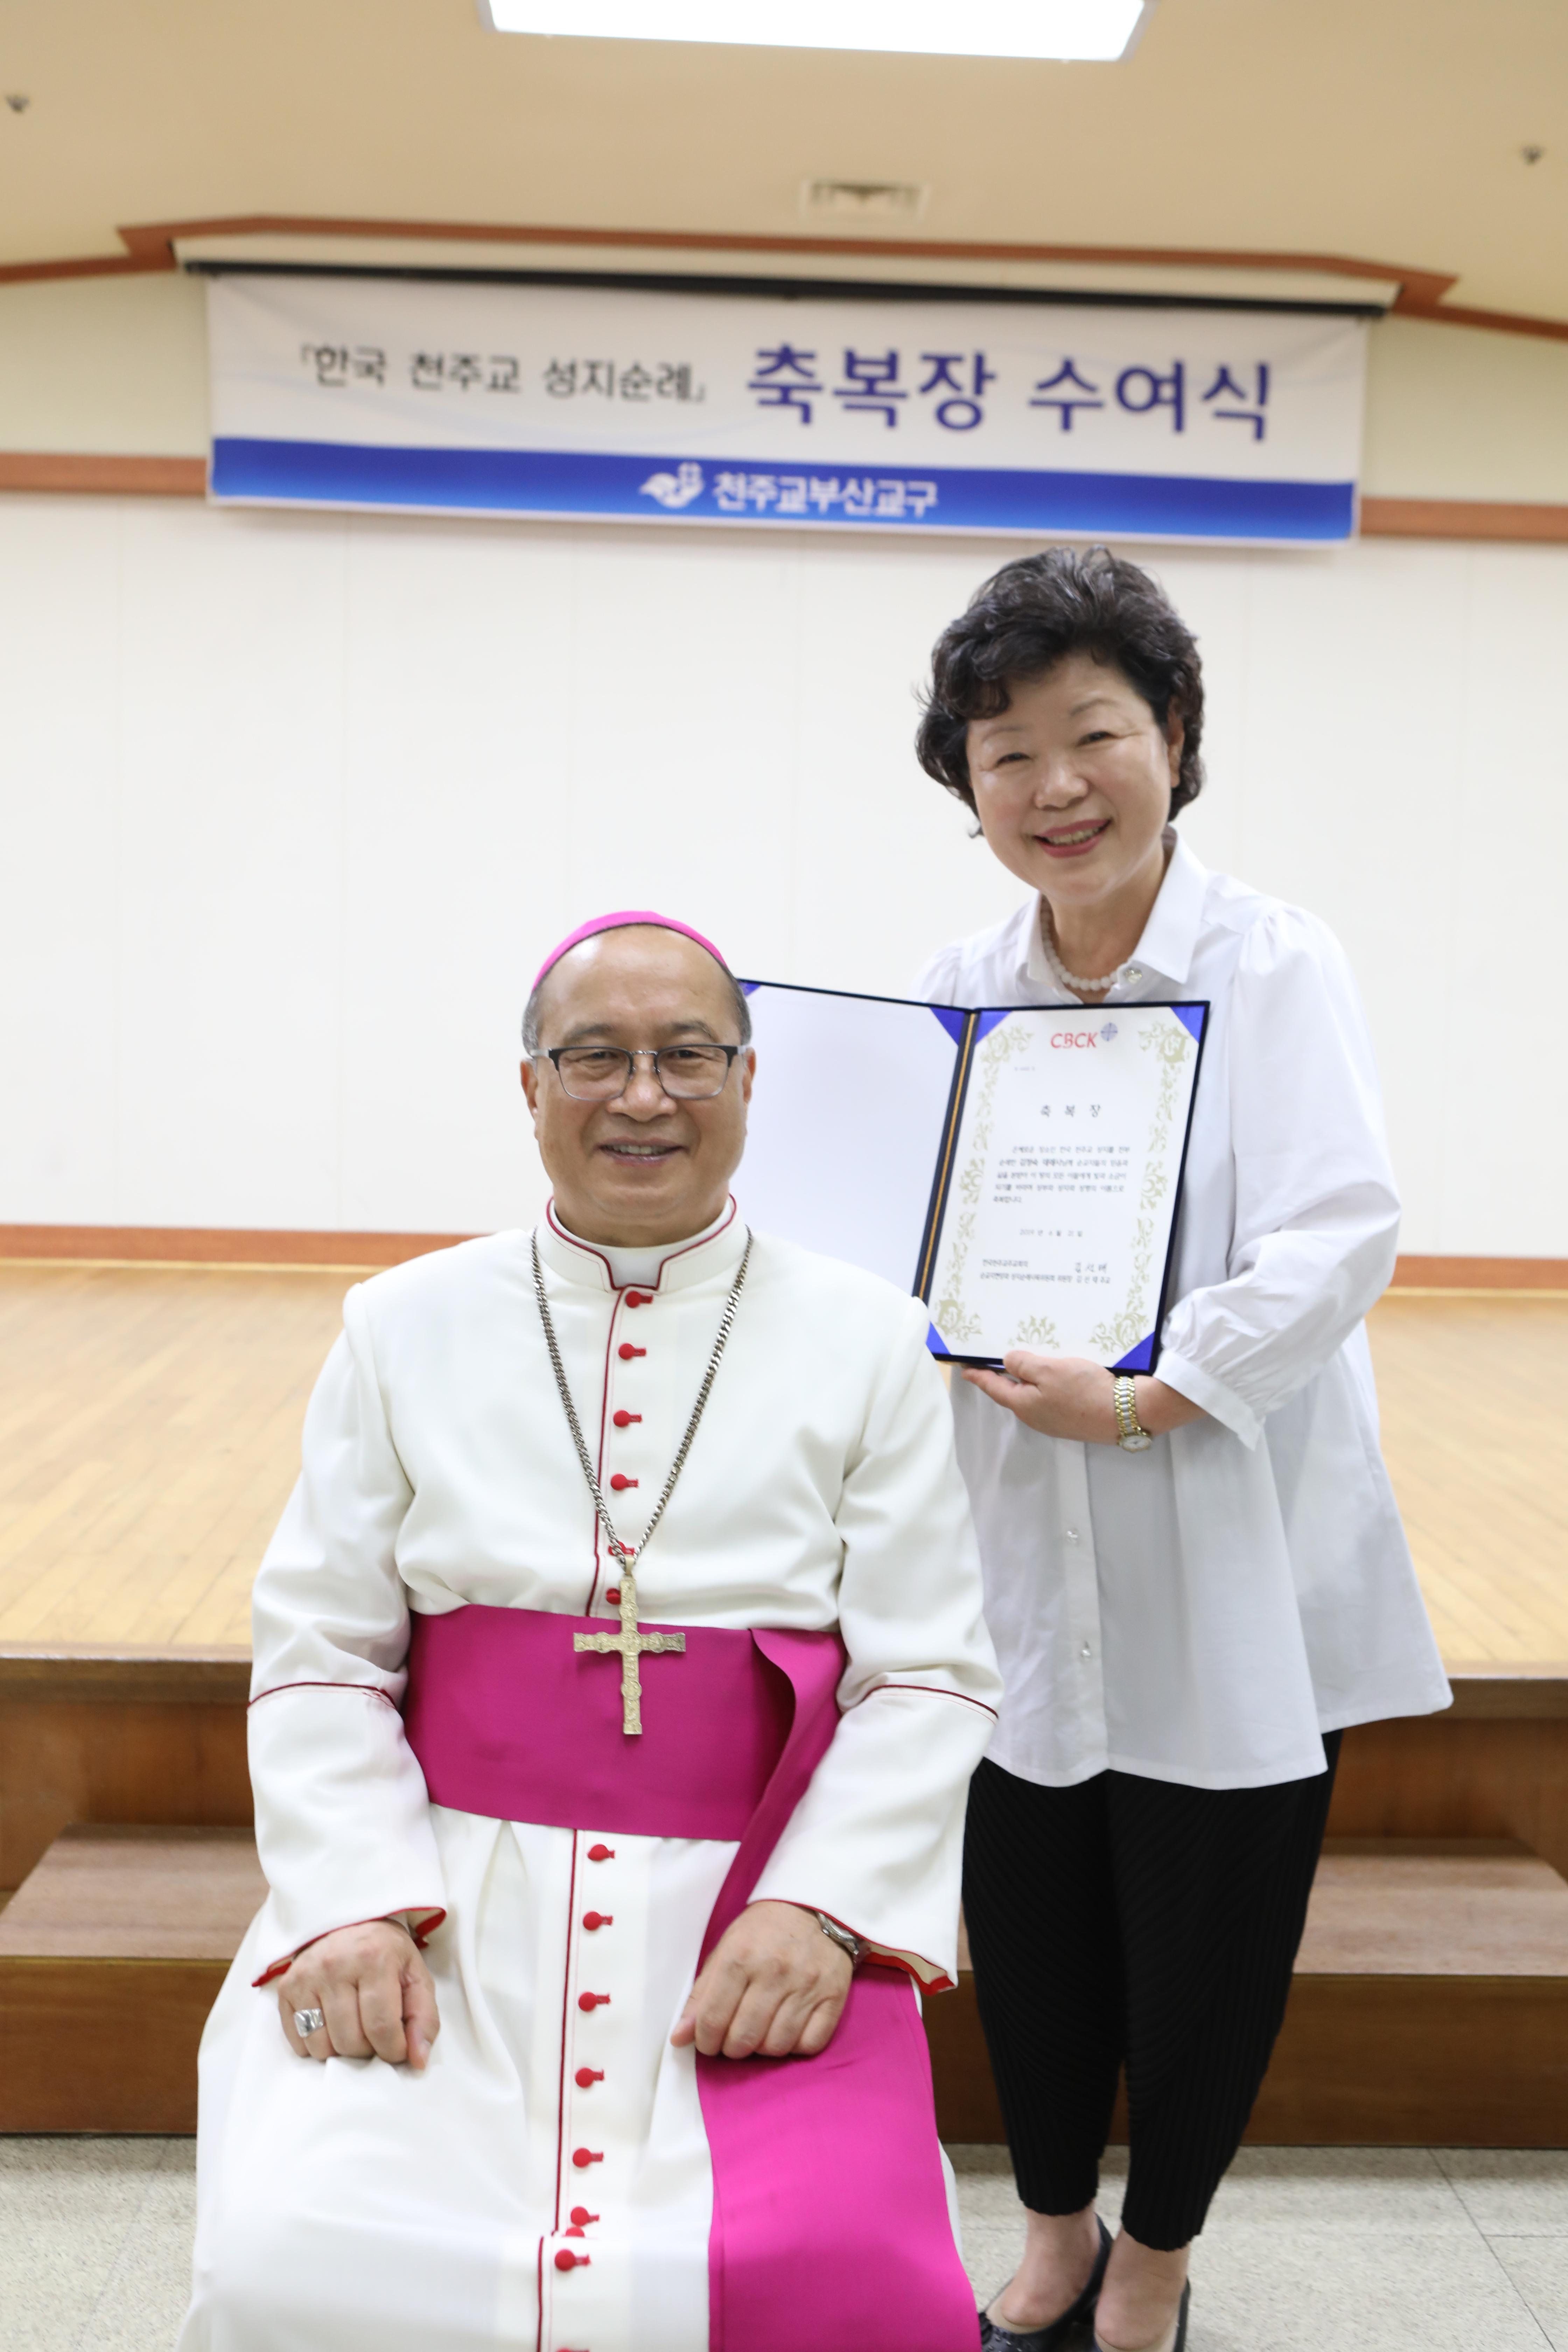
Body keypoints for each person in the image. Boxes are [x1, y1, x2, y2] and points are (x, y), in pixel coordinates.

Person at [178, 910, 1002, 2352]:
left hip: (749, 1910)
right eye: (594, 1057)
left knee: (842, 2274)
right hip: (447, 1893)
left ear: (750, 1081)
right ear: (529, 1085)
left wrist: (822, 1910)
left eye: (687, 1056)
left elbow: (927, 1673)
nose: (642, 1096)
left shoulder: (871, 1337)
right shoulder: (400, 1324)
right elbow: (321, 1647)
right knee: (298, 2259)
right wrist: (354, 1899)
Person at [912, 550, 1450, 2352]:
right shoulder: (955, 989)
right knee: (1033, 1912)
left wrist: (1149, 1396)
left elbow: (1338, 1230)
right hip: (1013, 1526)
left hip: (1219, 1519)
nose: (1055, 788)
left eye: (1095, 736)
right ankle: (1054, 2226)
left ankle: (1155, 2255)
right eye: (1005, 753)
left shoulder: (1272, 961)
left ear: (1176, 741)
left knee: (1211, 1929)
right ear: (964, 787)